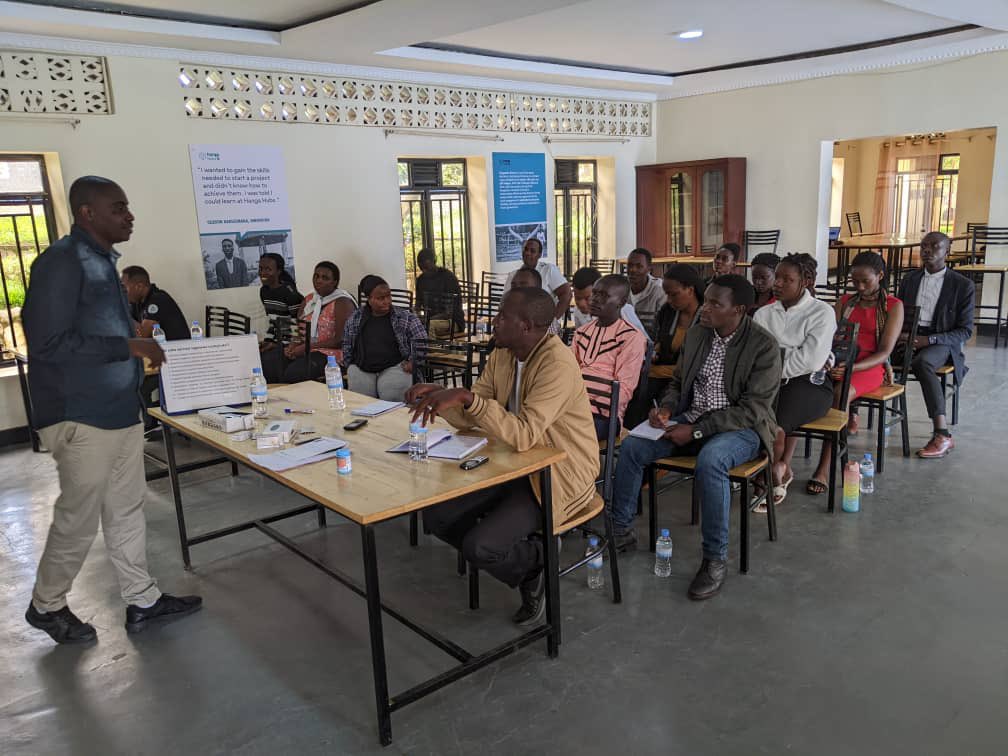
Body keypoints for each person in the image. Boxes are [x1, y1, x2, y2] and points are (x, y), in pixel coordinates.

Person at [21, 176, 201, 643]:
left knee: (126, 509)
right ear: (88, 213)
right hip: (81, 413)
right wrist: (130, 343)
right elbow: (48, 342)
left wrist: (130, 339)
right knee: (79, 516)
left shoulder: (103, 262)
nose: (129, 215)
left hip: (118, 408)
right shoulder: (61, 262)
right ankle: (47, 605)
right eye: (119, 207)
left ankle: (141, 599)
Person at [406, 287, 598, 624]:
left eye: (502, 317)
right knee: (436, 517)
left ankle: (538, 559)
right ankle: (527, 563)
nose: (493, 322)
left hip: (559, 473)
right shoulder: (503, 355)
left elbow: (523, 432)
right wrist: (442, 398)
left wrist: (469, 400)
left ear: (525, 326)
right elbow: (474, 415)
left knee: (480, 547)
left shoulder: (557, 364)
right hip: (510, 463)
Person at [608, 275, 781, 600]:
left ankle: (715, 559)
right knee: (632, 445)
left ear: (738, 310)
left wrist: (698, 430)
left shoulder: (763, 346)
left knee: (711, 460)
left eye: (716, 303)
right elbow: (677, 382)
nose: (706, 308)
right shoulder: (700, 333)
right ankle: (621, 530)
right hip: (690, 418)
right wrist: (667, 409)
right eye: (708, 300)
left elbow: (753, 410)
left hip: (740, 430)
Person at [809, 252, 904, 492]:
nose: (860, 287)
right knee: (807, 385)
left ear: (880, 276)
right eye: (855, 281)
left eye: (866, 281)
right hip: (840, 360)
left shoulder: (893, 306)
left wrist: (850, 368)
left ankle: (823, 468)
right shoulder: (846, 302)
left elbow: (884, 352)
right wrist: (830, 362)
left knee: (840, 394)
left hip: (870, 366)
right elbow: (830, 338)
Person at [753, 254, 837, 505]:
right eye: (776, 278)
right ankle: (773, 470)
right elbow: (756, 354)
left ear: (806, 281)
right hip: (769, 383)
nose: (777, 284)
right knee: (747, 417)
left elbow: (810, 362)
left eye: (786, 279)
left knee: (775, 428)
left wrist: (774, 362)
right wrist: (778, 361)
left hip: (809, 384)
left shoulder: (821, 313)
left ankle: (768, 479)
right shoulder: (764, 314)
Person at [897, 231, 975, 459]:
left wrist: (928, 340)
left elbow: (965, 331)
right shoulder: (909, 280)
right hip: (908, 336)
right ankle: (852, 413)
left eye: (934, 247)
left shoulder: (962, 285)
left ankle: (942, 434)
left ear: (947, 251)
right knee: (870, 350)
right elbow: (899, 313)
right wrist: (900, 335)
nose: (927, 251)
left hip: (940, 340)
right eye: (924, 246)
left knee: (923, 363)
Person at [623, 263, 703, 428]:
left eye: (674, 294)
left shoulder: (706, 317)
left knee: (650, 391)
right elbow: (659, 341)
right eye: (667, 294)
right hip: (663, 369)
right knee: (633, 386)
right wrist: (653, 352)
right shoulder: (668, 311)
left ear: (690, 289)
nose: (669, 299)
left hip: (688, 375)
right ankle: (631, 433)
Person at [571, 274, 647, 438]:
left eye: (604, 296)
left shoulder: (631, 337)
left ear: (622, 302)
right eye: (595, 293)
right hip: (573, 409)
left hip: (605, 416)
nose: (595, 299)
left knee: (561, 431)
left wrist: (586, 408)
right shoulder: (581, 332)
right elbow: (569, 373)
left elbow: (624, 389)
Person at [343, 275, 426, 400]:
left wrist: (413, 361)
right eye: (380, 298)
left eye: (388, 296)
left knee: (392, 399)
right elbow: (347, 344)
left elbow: (422, 342)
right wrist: (349, 365)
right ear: (369, 299)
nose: (386, 301)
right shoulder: (356, 318)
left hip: (395, 366)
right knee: (361, 402)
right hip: (362, 367)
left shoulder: (405, 317)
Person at [281, 261, 356, 383]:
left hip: (332, 354)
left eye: (325, 278)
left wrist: (306, 347)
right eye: (316, 276)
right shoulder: (310, 299)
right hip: (307, 349)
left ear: (335, 282)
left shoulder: (343, 302)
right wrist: (292, 345)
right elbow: (297, 327)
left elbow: (340, 340)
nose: (319, 280)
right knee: (273, 363)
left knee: (294, 372)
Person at [503, 238, 572, 325]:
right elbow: (506, 302)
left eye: (532, 251)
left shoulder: (548, 270)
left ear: (539, 255)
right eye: (526, 249)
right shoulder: (513, 275)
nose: (528, 253)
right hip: (520, 326)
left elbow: (567, 294)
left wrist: (552, 321)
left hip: (544, 325)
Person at [570, 266, 649, 337]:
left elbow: (642, 338)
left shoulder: (622, 309)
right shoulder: (578, 312)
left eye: (587, 298)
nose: (582, 304)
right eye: (577, 298)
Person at [120, 265, 189, 340]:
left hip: (179, 350)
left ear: (139, 286)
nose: (121, 292)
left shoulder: (158, 300)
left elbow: (141, 335)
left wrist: (119, 309)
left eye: (124, 287)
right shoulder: (137, 302)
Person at [414, 248, 466, 338]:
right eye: (422, 268)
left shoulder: (448, 277)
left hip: (453, 321)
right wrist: (415, 316)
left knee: (428, 326)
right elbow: (417, 305)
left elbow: (449, 312)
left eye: (426, 268)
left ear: (434, 261)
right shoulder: (421, 280)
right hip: (431, 320)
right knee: (408, 325)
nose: (424, 271)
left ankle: (431, 351)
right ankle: (417, 351)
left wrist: (427, 320)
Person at [258, 252, 302, 351]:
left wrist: (279, 345)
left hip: (291, 345)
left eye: (268, 269)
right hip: (277, 341)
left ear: (279, 271)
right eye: (260, 268)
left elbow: (297, 327)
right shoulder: (263, 291)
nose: (262, 273)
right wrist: (268, 340)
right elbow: (273, 322)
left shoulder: (289, 293)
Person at [625, 247, 666, 333]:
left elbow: (663, 327)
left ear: (649, 269)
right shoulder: (621, 289)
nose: (633, 270)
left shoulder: (659, 291)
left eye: (639, 266)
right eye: (630, 265)